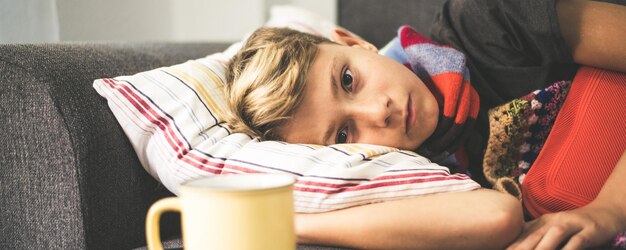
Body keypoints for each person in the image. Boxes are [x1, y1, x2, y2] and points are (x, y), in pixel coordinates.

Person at [225, 0, 626, 249]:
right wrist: (292, 222)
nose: (377, 113)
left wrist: (609, 209)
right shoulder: (404, 175)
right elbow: (493, 217)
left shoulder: (486, 21)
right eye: (344, 134)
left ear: (353, 43)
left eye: (348, 80)